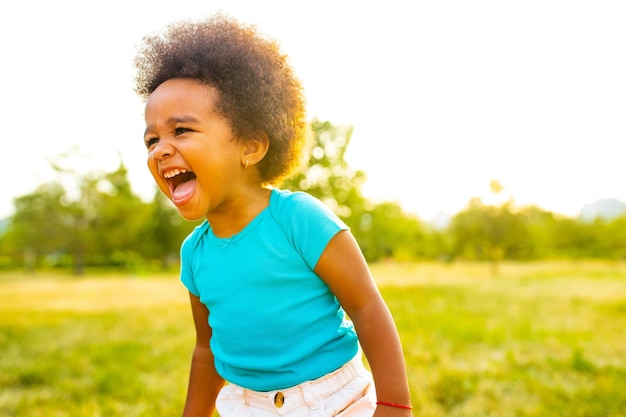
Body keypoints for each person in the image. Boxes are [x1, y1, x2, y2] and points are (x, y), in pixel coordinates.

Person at [133, 14, 413, 417]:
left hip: (336, 400)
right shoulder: (194, 253)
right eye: (151, 138)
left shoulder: (298, 219)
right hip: (248, 406)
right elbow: (205, 348)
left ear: (251, 146)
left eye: (181, 131)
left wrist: (393, 405)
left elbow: (367, 308)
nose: (159, 149)